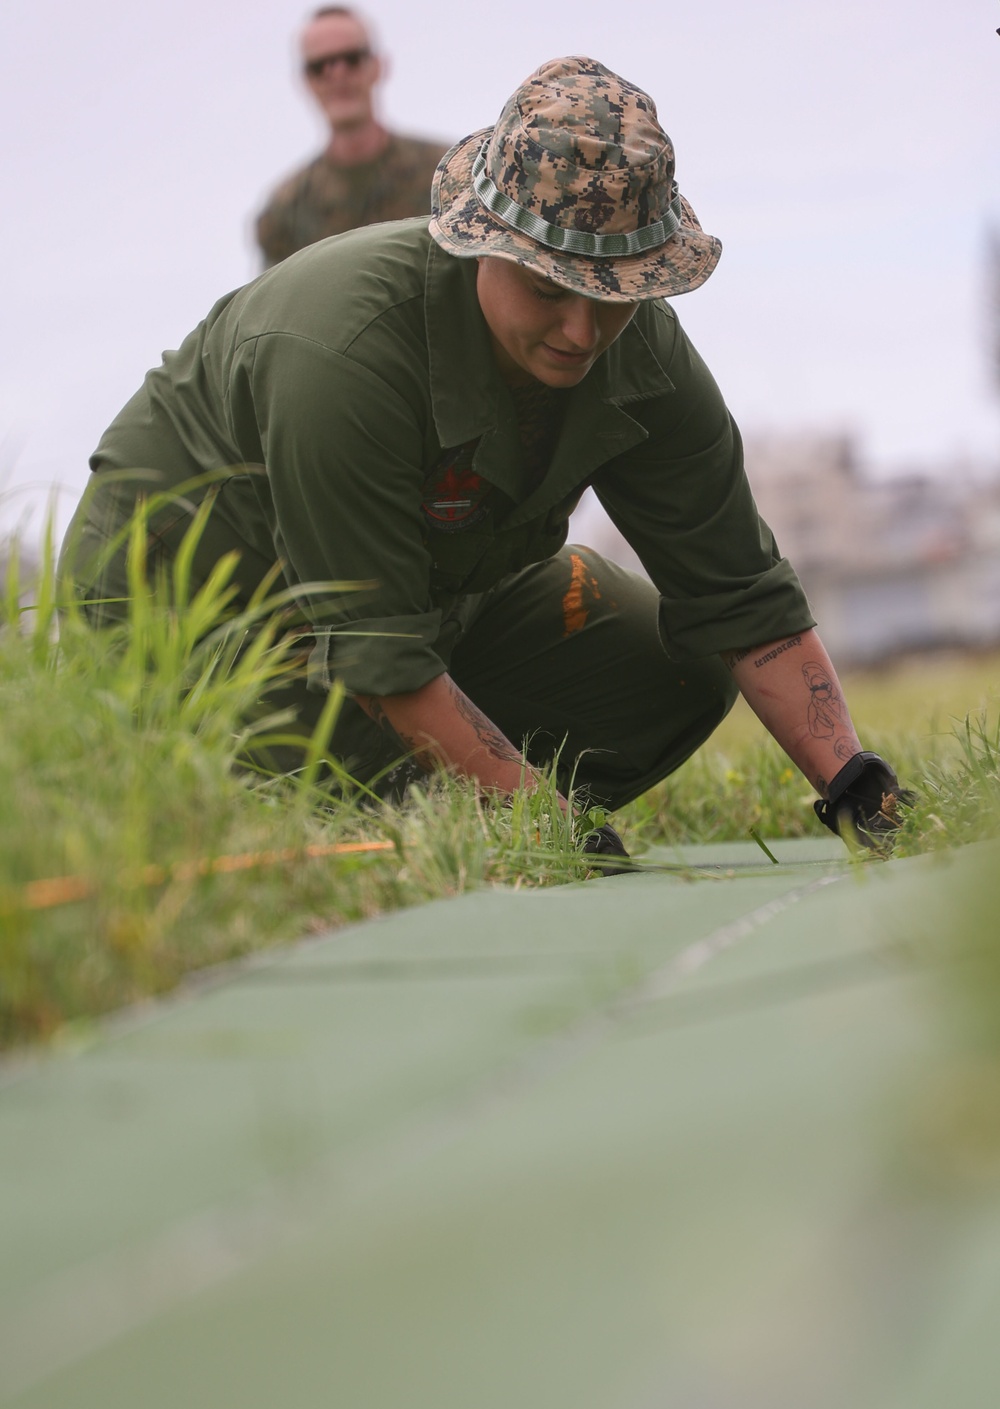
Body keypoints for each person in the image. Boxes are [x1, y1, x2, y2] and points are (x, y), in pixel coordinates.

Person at [63, 56, 907, 855]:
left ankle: (437, 798)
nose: (581, 332)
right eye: (549, 288)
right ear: (484, 244)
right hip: (201, 625)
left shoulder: (636, 347)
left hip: (422, 605)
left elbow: (740, 596)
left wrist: (853, 781)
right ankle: (400, 814)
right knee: (286, 790)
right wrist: (543, 826)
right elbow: (378, 652)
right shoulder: (343, 352)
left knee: (667, 667)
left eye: (611, 294)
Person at [255, 5, 448, 267]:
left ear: (378, 66)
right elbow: (279, 304)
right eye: (319, 66)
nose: (337, 74)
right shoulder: (285, 212)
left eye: (351, 59)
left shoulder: (446, 173)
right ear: (306, 81)